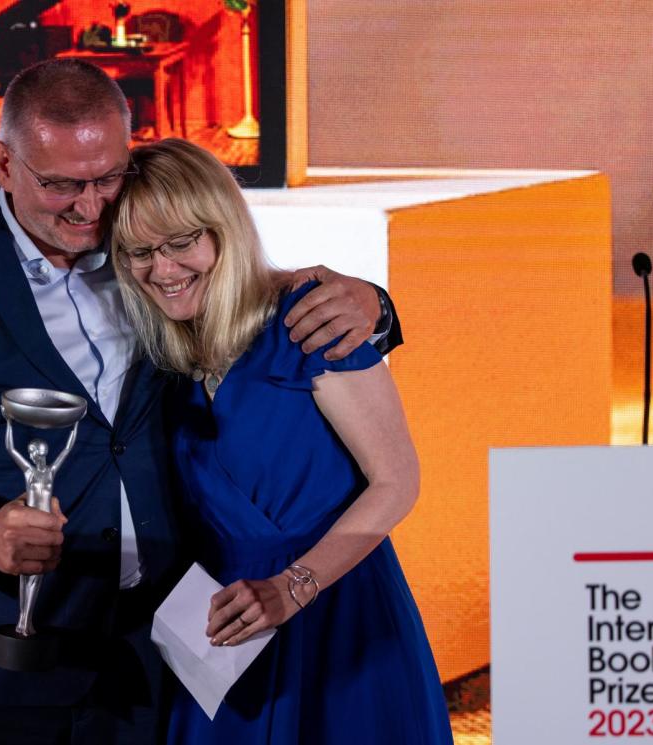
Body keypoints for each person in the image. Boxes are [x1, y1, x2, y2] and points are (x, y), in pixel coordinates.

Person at [0, 59, 395, 745]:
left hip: (160, 656)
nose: (90, 205)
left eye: (108, 177)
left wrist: (377, 307)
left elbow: (257, 303)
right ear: (4, 164)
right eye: (61, 185)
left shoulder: (152, 258)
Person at [111, 138, 453, 744]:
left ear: (224, 230)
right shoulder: (166, 355)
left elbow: (398, 480)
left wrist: (294, 587)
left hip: (340, 608)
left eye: (183, 242)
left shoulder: (309, 316)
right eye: (141, 251)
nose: (162, 270)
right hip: (223, 627)